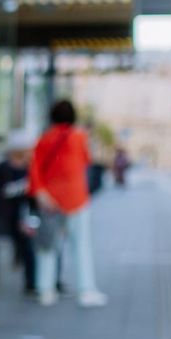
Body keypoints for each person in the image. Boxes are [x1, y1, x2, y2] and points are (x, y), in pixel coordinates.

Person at [28, 99, 107, 308]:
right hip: (76, 199)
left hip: (50, 201)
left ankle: (45, 291)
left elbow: (35, 169)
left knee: (48, 247)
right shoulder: (79, 137)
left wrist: (41, 193)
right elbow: (86, 160)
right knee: (80, 246)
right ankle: (86, 290)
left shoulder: (44, 139)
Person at [0, 131, 36, 296]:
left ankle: (31, 283)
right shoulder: (2, 169)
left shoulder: (30, 169)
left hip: (23, 215)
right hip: (4, 216)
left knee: (29, 247)